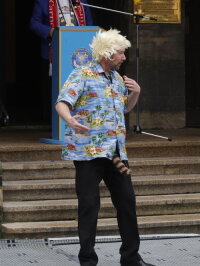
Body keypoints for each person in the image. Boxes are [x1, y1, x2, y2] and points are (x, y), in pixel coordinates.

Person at [55, 29, 154, 266]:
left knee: (127, 202)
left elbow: (124, 109)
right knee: (89, 205)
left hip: (116, 154)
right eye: (120, 53)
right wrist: (70, 121)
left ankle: (131, 257)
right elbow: (62, 103)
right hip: (88, 153)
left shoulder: (118, 79)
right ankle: (87, 260)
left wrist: (136, 93)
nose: (123, 57)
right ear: (108, 53)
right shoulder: (83, 74)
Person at [30, 0, 93, 123]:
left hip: (78, 53)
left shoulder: (80, 2)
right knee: (54, 89)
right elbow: (33, 23)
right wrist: (51, 31)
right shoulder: (43, 2)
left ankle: (80, 119)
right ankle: (54, 123)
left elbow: (89, 24)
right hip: (53, 51)